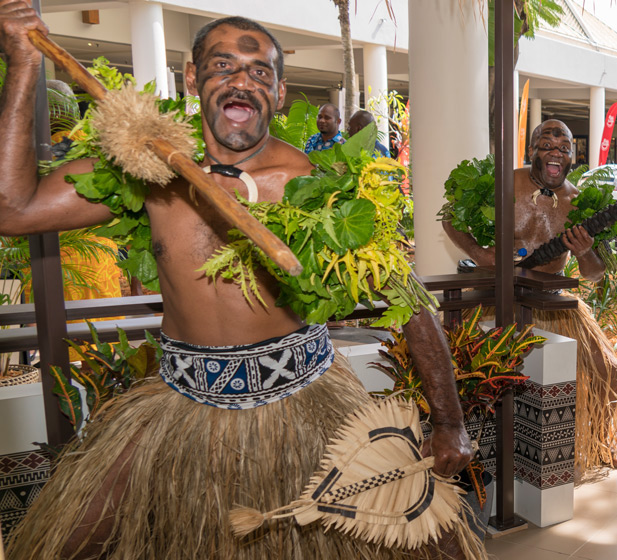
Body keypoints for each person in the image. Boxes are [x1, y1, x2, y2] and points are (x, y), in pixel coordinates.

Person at [0, 9, 473, 558]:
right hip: (179, 402)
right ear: (192, 77)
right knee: (68, 542)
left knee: (429, 543)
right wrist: (24, 61)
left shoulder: (316, 185)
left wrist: (449, 422)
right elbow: (13, 210)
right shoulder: (146, 171)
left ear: (279, 91)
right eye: (223, 65)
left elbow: (409, 301)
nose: (242, 80)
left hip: (307, 402)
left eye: (259, 70)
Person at [442, 119, 617, 472]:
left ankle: (603, 443)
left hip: (550, 299)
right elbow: (449, 218)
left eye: (564, 149)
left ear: (572, 157)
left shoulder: (578, 202)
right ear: (532, 151)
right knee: (462, 366)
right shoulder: (504, 183)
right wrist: (482, 255)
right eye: (547, 146)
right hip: (494, 295)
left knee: (608, 368)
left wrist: (584, 252)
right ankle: (463, 445)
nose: (556, 153)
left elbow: (594, 274)